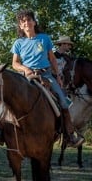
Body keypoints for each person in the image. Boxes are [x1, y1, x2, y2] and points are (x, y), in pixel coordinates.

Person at [10, 10, 84, 147]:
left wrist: (58, 76)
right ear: (20, 25)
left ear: (34, 22)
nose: (27, 23)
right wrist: (25, 69)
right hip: (27, 77)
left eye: (29, 20)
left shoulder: (44, 38)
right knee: (10, 96)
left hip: (46, 75)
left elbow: (52, 59)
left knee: (62, 100)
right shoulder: (18, 43)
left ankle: (69, 134)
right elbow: (15, 63)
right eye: (23, 21)